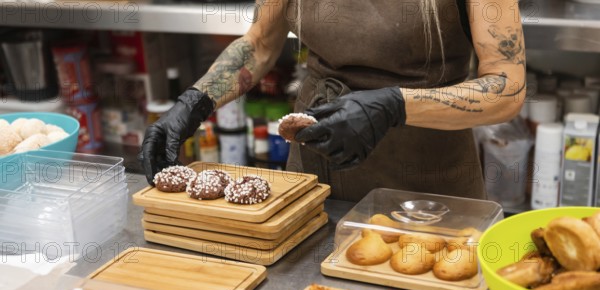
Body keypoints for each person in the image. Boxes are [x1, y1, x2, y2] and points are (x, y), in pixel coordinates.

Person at [140, 0, 525, 202]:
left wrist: (392, 105)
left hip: (424, 174)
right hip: (315, 161)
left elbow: (507, 86)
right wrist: (195, 101)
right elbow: (260, 42)